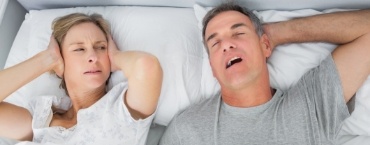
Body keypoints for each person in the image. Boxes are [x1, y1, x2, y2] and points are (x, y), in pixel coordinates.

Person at [160, 3, 370, 145]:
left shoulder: (310, 107)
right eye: (215, 42)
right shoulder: (187, 130)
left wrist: (276, 33)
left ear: (266, 46)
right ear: (213, 68)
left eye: (239, 33)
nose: (227, 44)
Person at [0, 13, 163, 144]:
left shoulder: (123, 108)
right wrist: (46, 60)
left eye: (101, 47)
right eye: (79, 49)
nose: (93, 56)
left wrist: (115, 56)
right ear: (61, 60)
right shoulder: (42, 116)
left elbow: (147, 66)